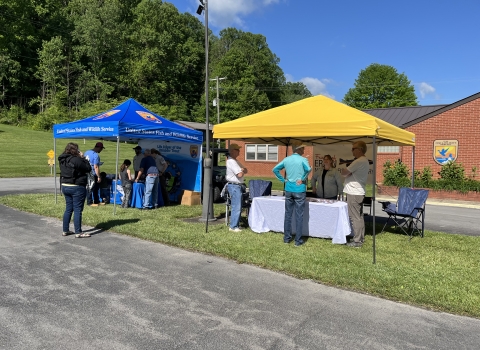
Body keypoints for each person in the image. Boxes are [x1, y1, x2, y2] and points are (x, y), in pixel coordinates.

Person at [272, 144, 311, 247]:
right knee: (299, 215)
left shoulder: (286, 159)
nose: (304, 149)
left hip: (288, 188)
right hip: (299, 189)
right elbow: (308, 169)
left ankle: (286, 238)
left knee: (288, 215)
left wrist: (283, 180)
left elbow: (275, 169)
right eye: (303, 148)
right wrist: (302, 179)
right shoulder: (303, 159)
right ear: (299, 149)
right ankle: (298, 240)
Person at [58, 142, 92, 238]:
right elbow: (88, 168)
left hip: (65, 185)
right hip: (76, 186)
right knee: (77, 209)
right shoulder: (76, 160)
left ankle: (65, 230)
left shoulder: (62, 159)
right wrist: (83, 158)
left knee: (69, 208)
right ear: (75, 150)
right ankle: (78, 232)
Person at [341, 141, 370, 248]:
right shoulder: (364, 161)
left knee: (355, 217)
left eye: (353, 149)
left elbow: (344, 173)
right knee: (359, 216)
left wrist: (348, 172)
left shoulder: (358, 161)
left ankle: (357, 241)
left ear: (360, 150)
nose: (352, 151)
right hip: (358, 192)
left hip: (354, 192)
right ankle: (360, 238)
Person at [226, 143, 248, 232]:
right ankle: (233, 226)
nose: (239, 151)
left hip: (238, 186)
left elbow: (245, 169)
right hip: (234, 186)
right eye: (237, 150)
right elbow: (240, 174)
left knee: (237, 206)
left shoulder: (236, 161)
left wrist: (243, 170)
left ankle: (235, 225)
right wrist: (242, 170)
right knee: (236, 206)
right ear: (232, 151)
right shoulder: (231, 161)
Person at [84, 142, 105, 206]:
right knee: (91, 188)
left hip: (86, 172)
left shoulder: (86, 152)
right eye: (101, 149)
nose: (101, 150)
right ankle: (90, 202)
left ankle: (96, 201)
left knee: (94, 188)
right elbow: (96, 166)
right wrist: (99, 176)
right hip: (93, 173)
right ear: (99, 148)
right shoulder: (95, 155)